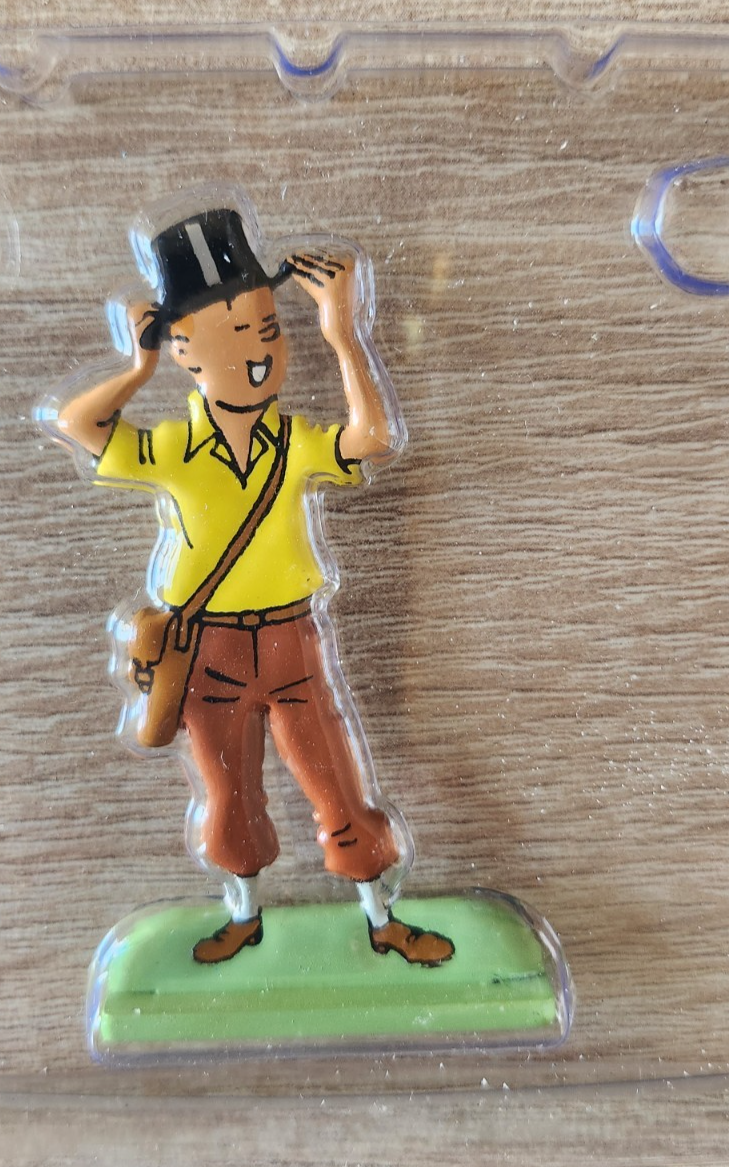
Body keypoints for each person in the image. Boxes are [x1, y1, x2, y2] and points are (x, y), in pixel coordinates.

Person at [52, 202, 453, 967]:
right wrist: (135, 369)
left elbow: (372, 437)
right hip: (209, 652)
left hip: (293, 639)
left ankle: (381, 916)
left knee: (336, 782)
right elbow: (79, 424)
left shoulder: (294, 442)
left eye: (268, 329)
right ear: (183, 348)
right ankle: (243, 914)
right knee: (229, 791)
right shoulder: (173, 447)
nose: (261, 352)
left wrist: (342, 333)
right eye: (237, 333)